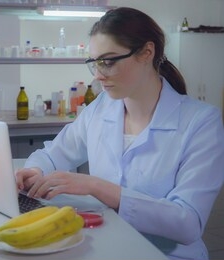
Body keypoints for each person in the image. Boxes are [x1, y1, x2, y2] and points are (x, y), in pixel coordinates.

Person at [16, 7, 224, 260]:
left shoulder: (201, 122)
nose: (99, 76)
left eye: (109, 61)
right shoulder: (100, 109)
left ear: (147, 52)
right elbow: (53, 154)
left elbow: (188, 222)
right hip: (107, 247)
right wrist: (35, 171)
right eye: (94, 63)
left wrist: (95, 186)